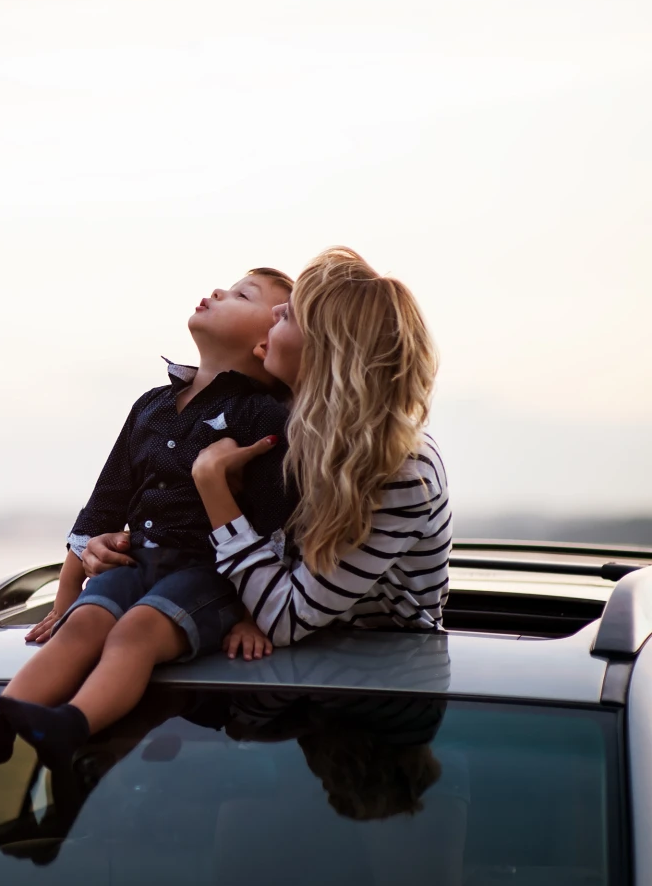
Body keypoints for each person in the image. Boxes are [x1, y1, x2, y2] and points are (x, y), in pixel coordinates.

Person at [0, 268, 298, 771]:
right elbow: (105, 504)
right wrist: (63, 601)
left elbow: (277, 518)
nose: (217, 292)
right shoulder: (151, 405)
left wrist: (256, 617)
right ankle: (4, 716)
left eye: (240, 295)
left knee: (134, 632)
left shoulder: (262, 415)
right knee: (85, 623)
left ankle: (74, 725)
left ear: (262, 344)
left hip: (208, 575)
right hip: (135, 559)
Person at [85, 246, 450, 647]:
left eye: (289, 315)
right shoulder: (272, 424)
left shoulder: (399, 466)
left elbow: (287, 617)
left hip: (379, 681)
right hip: (267, 674)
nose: (275, 314)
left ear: (326, 348)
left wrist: (212, 484)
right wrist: (121, 546)